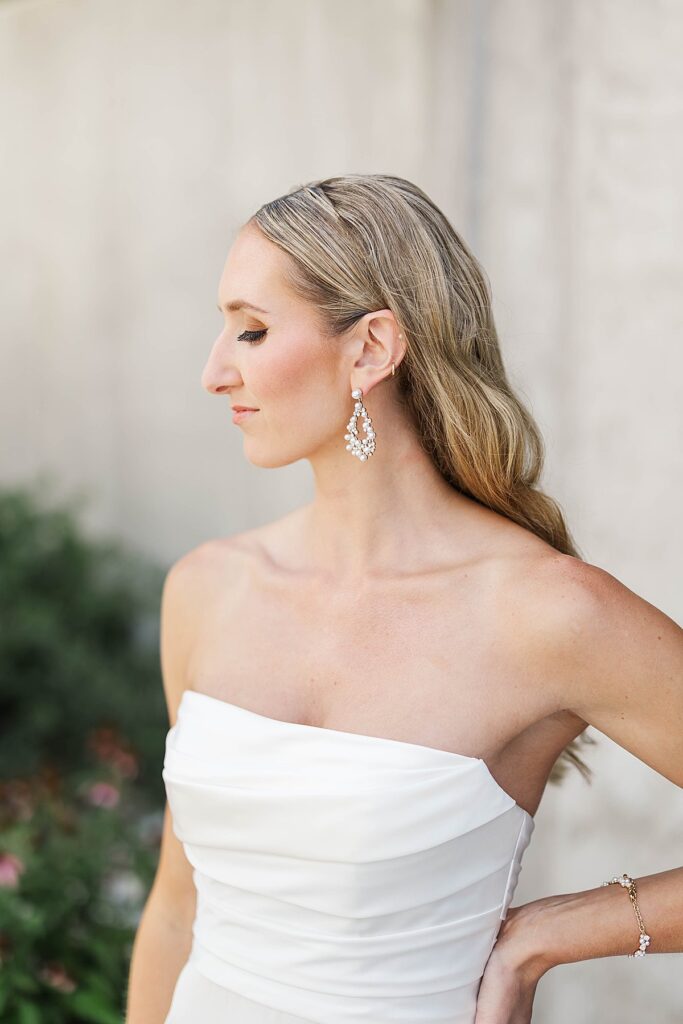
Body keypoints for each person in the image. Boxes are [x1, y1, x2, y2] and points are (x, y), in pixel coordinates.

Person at [125, 174, 683, 1024]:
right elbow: (176, 908)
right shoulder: (207, 588)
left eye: (251, 329)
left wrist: (548, 936)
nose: (213, 373)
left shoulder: (546, 612)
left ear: (371, 349)